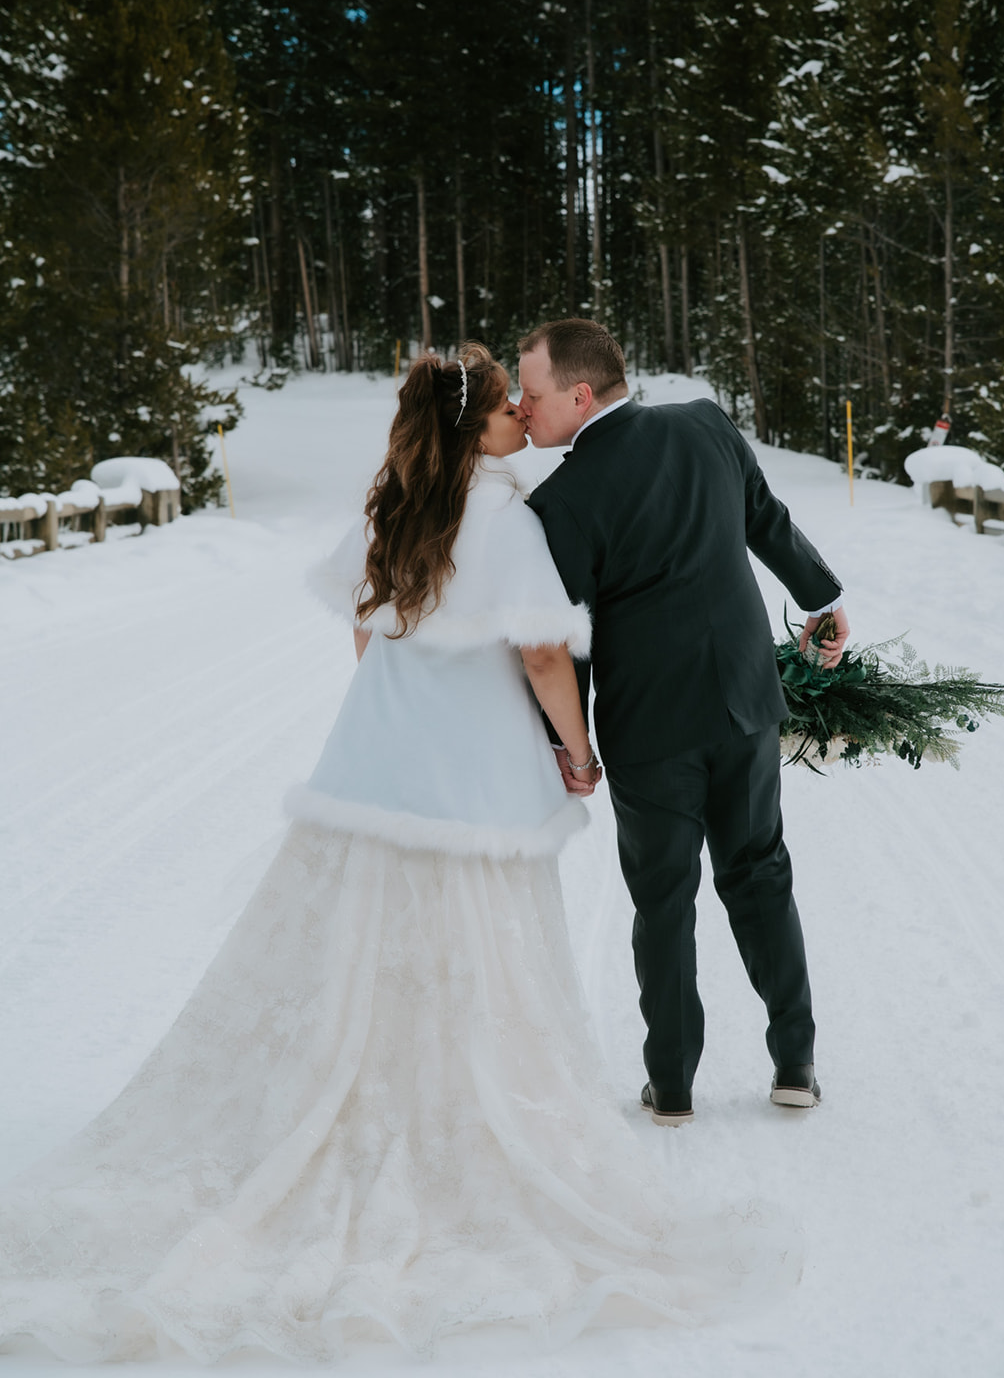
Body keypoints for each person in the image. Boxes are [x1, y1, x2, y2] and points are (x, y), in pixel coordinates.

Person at [0, 343, 795, 1365]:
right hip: (472, 783)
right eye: (505, 406)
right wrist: (580, 748)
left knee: (355, 951)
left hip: (372, 771)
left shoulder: (390, 508)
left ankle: (351, 1092)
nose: (520, 414)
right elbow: (545, 650)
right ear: (476, 428)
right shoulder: (506, 520)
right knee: (478, 950)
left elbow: (368, 637)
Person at [518, 319, 849, 1126]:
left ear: (580, 393)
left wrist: (574, 744)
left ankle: (669, 1085)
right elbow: (764, 519)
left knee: (662, 900)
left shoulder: (557, 501)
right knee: (759, 874)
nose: (520, 408)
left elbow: (567, 638)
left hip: (647, 726)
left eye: (531, 393)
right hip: (742, 701)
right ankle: (795, 1065)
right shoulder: (705, 421)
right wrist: (822, 600)